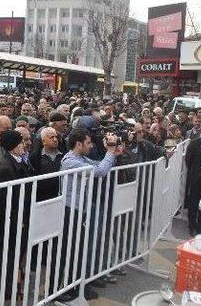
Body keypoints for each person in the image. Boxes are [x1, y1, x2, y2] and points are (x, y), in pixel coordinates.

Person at [56, 128, 123, 301]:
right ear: (78, 144)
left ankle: (76, 286)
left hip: (80, 210)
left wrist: (113, 154)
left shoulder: (81, 158)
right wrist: (109, 151)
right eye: (88, 143)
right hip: (70, 211)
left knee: (78, 251)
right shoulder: (70, 161)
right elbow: (99, 172)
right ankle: (62, 290)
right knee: (69, 253)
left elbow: (101, 166)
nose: (91, 145)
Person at [0, 129, 34, 300]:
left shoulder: (19, 160)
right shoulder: (6, 167)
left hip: (19, 219)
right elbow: (5, 201)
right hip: (10, 223)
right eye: (21, 142)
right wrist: (17, 220)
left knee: (15, 258)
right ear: (13, 145)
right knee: (5, 260)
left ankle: (11, 288)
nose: (24, 145)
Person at [30, 127, 63, 201]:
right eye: (51, 137)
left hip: (60, 195)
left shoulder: (63, 154)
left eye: (56, 137)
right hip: (42, 197)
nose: (55, 140)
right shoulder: (35, 157)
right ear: (44, 141)